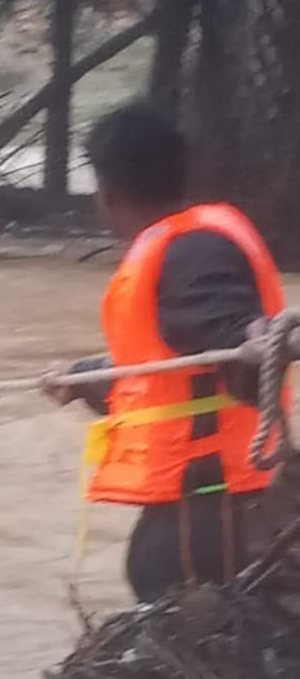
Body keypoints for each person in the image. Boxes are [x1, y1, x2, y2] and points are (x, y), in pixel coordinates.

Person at [42, 102, 284, 603]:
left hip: (215, 504)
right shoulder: (186, 246)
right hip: (214, 502)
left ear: (106, 192)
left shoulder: (191, 251)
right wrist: (83, 376)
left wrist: (254, 340)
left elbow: (234, 343)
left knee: (208, 640)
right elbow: (176, 374)